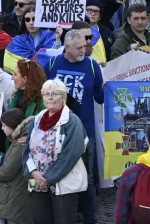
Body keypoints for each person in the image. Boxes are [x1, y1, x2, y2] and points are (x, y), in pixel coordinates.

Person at [46, 29, 103, 223]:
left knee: (87, 177)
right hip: (56, 129)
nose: (83, 50)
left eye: (85, 46)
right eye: (78, 47)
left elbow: (100, 97)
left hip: (85, 131)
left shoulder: (93, 66)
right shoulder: (52, 64)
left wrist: (110, 88)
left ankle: (90, 219)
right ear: (67, 47)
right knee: (57, 171)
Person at [23, 79, 88, 224]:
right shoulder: (38, 118)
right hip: (36, 181)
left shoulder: (72, 121)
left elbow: (71, 154)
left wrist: (47, 179)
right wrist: (34, 173)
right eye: (46, 94)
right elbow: (27, 149)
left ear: (63, 97)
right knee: (39, 219)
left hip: (63, 184)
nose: (50, 97)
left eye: (55, 94)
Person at [0, 109, 32, 224]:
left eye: (4, 125)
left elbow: (6, 172)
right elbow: (14, 162)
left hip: (11, 196)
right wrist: (1, 156)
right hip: (11, 196)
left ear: (13, 125)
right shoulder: (18, 142)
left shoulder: (19, 144)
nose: (2, 128)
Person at [3, 6, 56, 73]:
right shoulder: (16, 41)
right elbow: (10, 66)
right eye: (27, 20)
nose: (31, 23)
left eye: (34, 19)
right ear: (24, 22)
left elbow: (55, 59)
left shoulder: (51, 38)